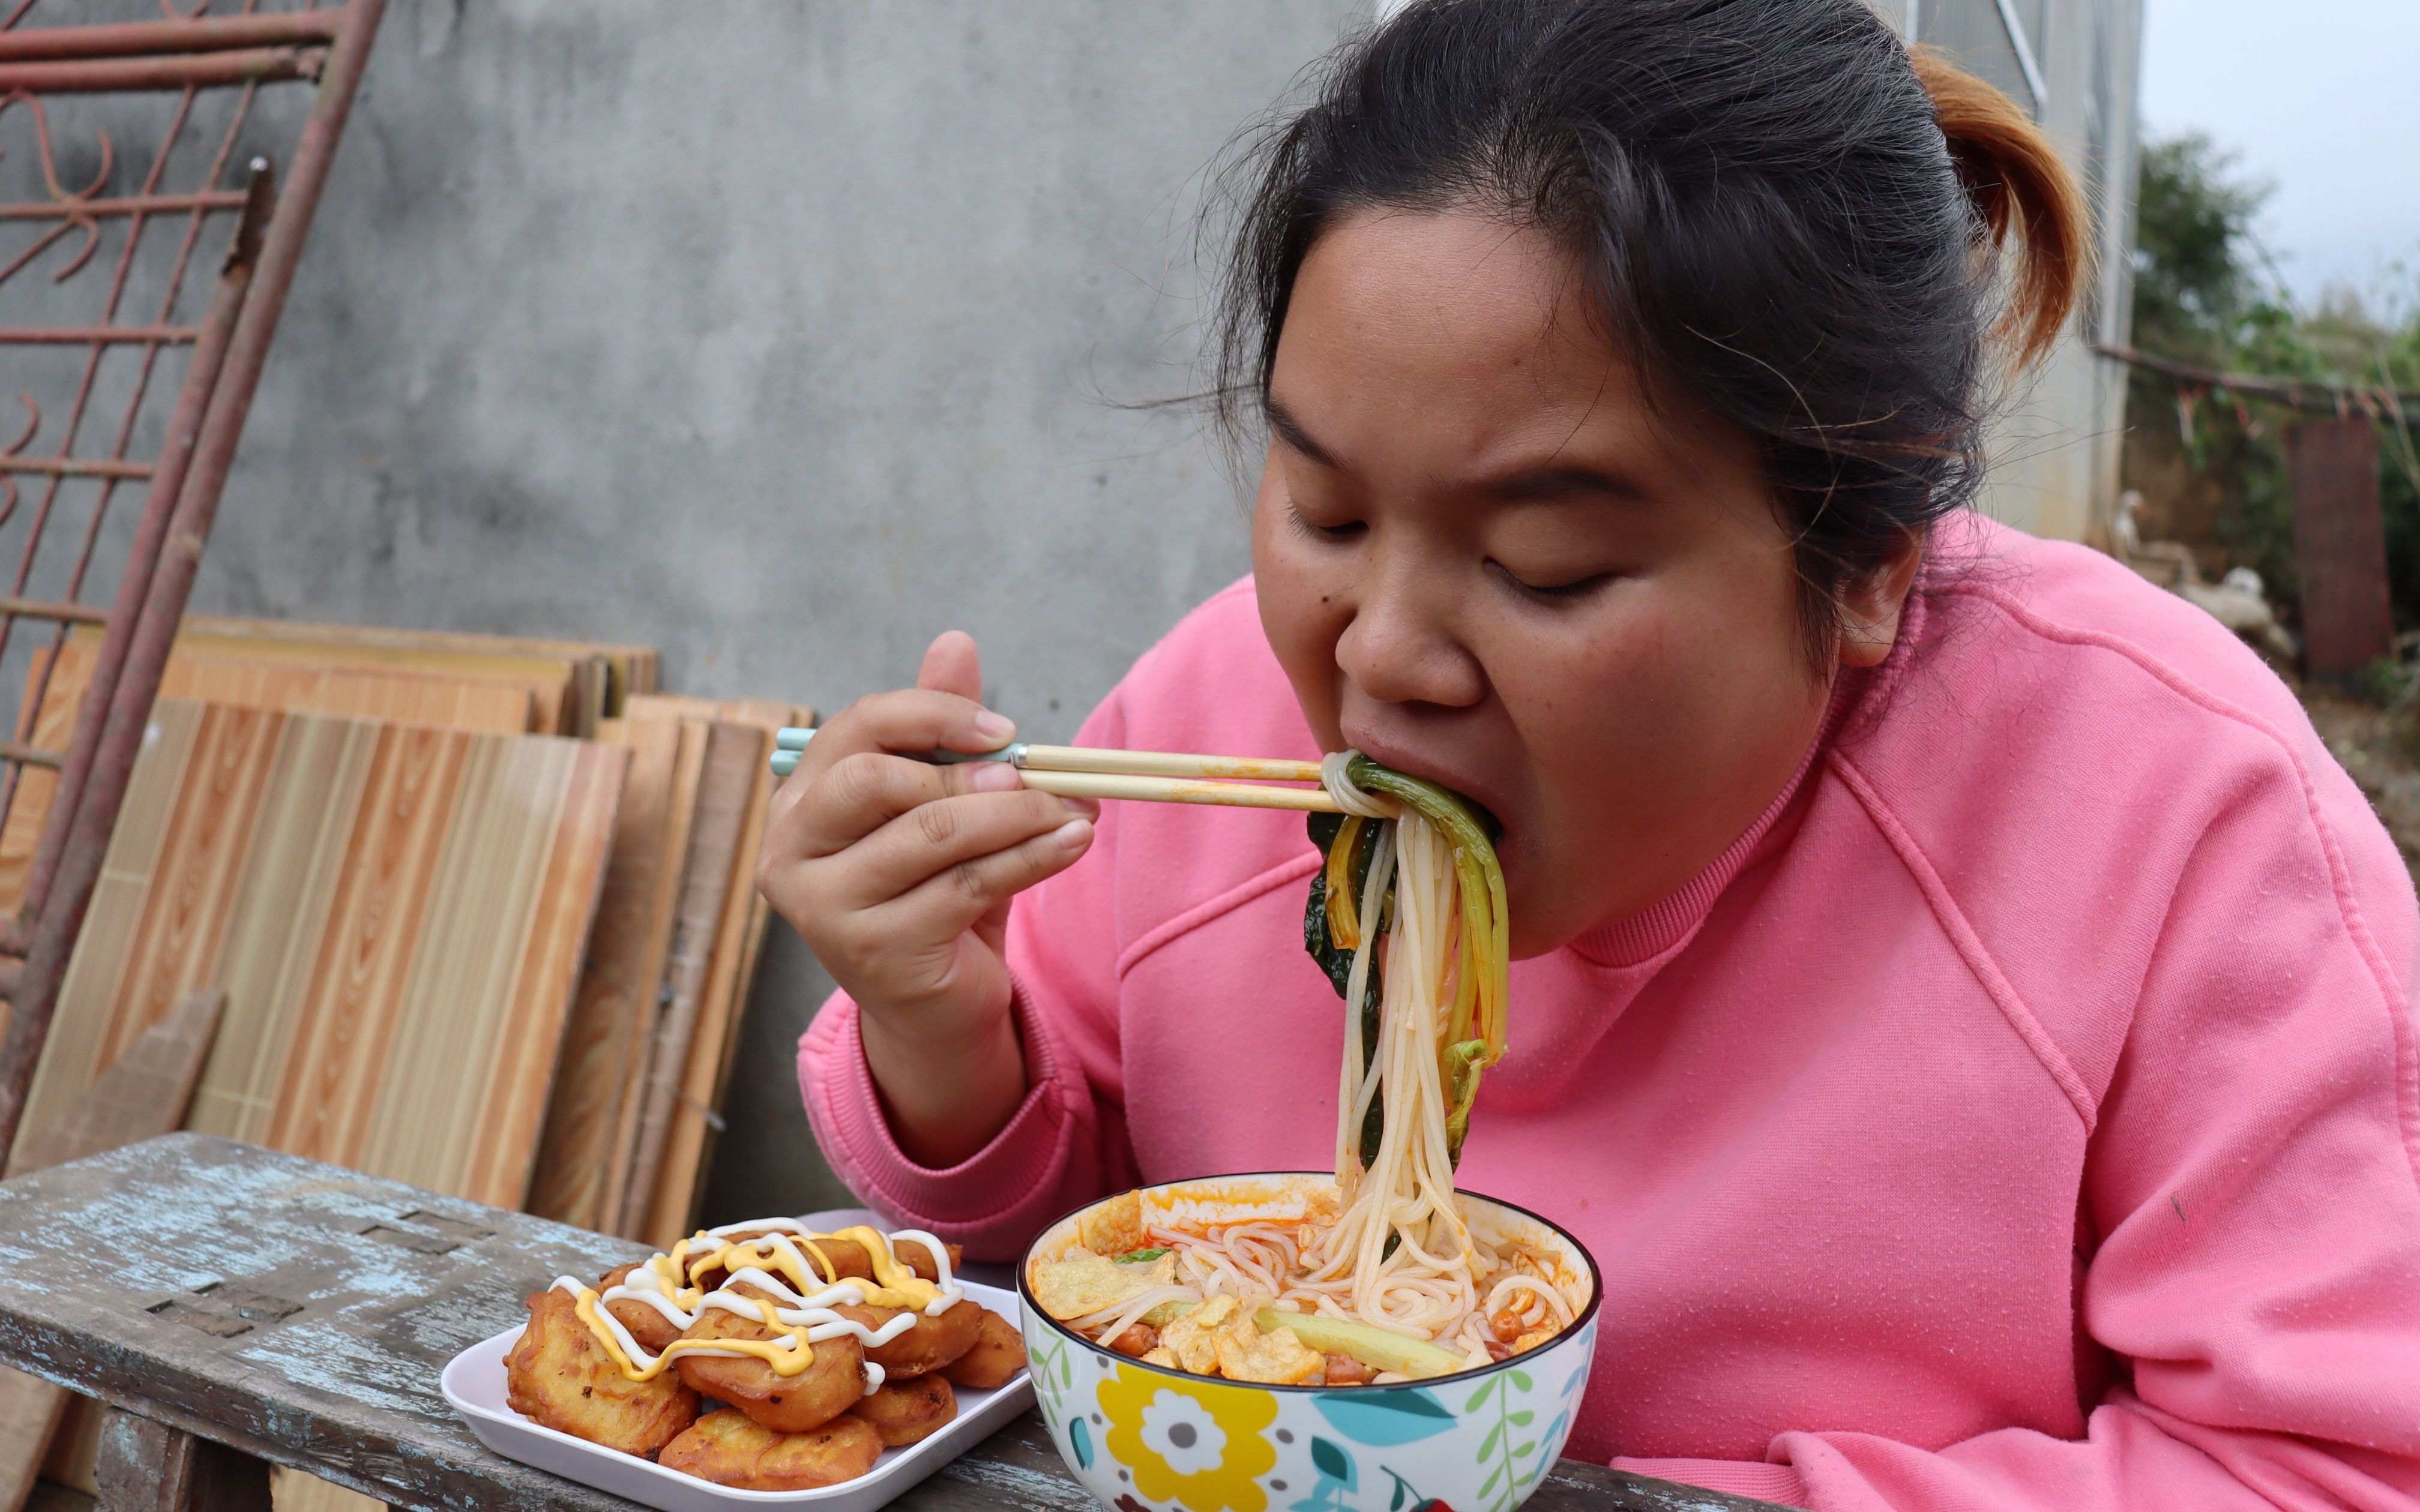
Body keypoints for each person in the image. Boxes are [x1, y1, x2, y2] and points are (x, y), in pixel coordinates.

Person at [758, 2, 2420, 1506]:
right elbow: (1064, 1262)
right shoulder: (1209, 726)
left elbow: (2336, 1466)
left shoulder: (2165, 812)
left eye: (1547, 566)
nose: (1380, 652)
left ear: (1871, 562)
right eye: (1328, 507)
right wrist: (944, 1028)